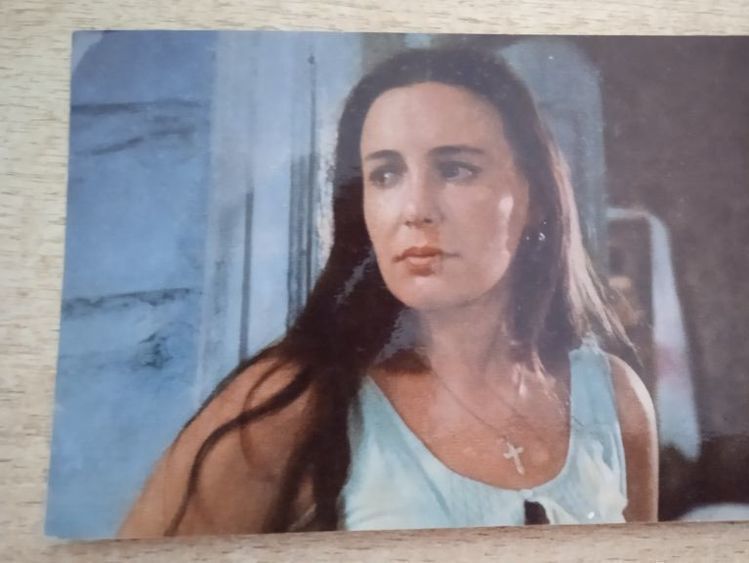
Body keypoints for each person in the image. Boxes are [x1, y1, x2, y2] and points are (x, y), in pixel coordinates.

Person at [118, 47, 657, 537]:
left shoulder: (615, 402)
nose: (415, 208)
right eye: (385, 175)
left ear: (533, 197)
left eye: (455, 169)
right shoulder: (294, 402)